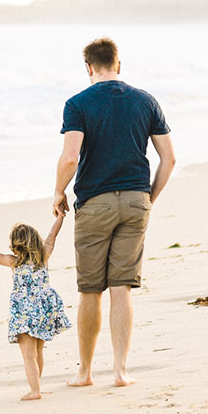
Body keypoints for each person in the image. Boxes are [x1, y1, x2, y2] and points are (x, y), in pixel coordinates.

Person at [52, 37, 175, 388]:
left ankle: (86, 372)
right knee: (122, 287)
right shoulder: (146, 100)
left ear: (88, 68)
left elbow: (70, 157)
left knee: (91, 289)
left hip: (95, 202)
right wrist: (149, 196)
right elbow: (169, 158)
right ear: (118, 65)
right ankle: (121, 370)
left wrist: (58, 191)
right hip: (137, 198)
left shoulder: (77, 104)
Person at [0, 214, 72, 400]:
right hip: (44, 310)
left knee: (28, 355)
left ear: (15, 245)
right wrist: (60, 217)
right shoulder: (43, 256)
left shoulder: (13, 262)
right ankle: (37, 386)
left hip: (24, 313)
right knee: (37, 352)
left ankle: (35, 391)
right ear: (36, 241)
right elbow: (53, 235)